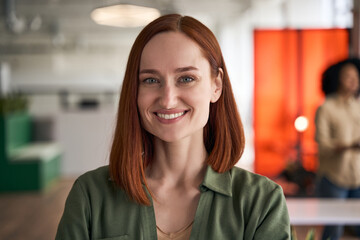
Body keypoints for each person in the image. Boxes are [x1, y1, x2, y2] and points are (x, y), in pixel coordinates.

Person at [55, 14, 291, 240]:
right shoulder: (90, 196)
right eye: (151, 80)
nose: (167, 99)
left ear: (216, 85)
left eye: (186, 78)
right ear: (134, 91)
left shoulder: (261, 201)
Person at [315, 58, 360, 240]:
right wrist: (349, 146)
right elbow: (323, 145)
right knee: (333, 230)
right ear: (337, 79)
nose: (353, 81)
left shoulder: (358, 107)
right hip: (334, 178)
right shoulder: (326, 108)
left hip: (357, 177)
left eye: (356, 77)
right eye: (348, 76)